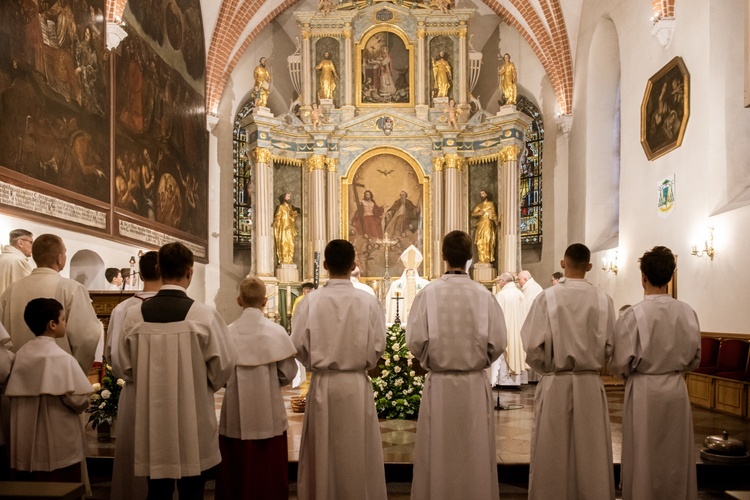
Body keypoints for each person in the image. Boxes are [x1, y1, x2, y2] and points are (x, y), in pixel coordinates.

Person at [118, 242, 237, 499]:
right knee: (193, 488)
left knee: (156, 489)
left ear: (159, 269)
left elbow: (122, 366)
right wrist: (200, 383)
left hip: (150, 416)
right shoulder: (204, 315)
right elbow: (224, 365)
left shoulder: (134, 316)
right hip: (192, 415)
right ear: (190, 272)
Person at [407, 230, 507, 500]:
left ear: (442, 256)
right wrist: (479, 361)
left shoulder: (428, 294)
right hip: (473, 385)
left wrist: (431, 358)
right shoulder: (483, 296)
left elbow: (415, 341)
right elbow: (498, 342)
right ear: (470, 258)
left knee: (438, 451)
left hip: (439, 385)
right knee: (473, 450)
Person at [290, 239, 387, 500]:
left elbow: (297, 345)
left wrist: (316, 361)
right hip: (356, 385)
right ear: (354, 264)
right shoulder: (368, 302)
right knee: (357, 450)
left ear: (324, 266)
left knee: (324, 451)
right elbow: (379, 345)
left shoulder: (310, 302)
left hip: (323, 384)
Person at [520, 243, 616, 500]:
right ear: (590, 266)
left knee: (552, 450)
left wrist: (548, 370)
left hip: (556, 383)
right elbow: (610, 346)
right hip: (589, 384)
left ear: (563, 264)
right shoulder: (603, 300)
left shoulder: (547, 297)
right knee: (592, 451)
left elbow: (531, 346)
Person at [610, 246, 700, 500]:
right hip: (675, 388)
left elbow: (619, 362)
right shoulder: (687, 312)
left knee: (643, 452)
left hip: (644, 390)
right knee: (676, 451)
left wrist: (631, 374)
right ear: (670, 277)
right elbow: (695, 358)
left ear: (643, 277)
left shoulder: (633, 315)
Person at [215, 277, 298, 499]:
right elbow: (288, 373)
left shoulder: (227, 332)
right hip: (267, 411)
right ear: (265, 300)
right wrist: (271, 382)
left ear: (238, 300)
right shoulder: (276, 331)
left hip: (235, 411)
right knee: (267, 468)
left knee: (236, 466)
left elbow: (219, 373)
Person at [5, 298, 92, 483]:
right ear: (52, 324)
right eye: (63, 318)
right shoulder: (62, 358)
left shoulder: (21, 354)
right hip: (58, 435)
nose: (65, 322)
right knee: (61, 483)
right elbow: (77, 401)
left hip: (24, 439)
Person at [0, 234, 101, 374]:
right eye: (64, 253)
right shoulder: (72, 289)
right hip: (58, 378)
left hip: (17, 378)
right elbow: (87, 337)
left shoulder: (11, 290)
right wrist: (76, 373)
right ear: (59, 258)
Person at [107, 251, 161, 500]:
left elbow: (112, 355)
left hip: (133, 389)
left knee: (132, 451)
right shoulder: (180, 307)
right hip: (167, 391)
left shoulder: (122, 309)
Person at [491, 272, 528, 387]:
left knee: (505, 355)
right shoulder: (520, 294)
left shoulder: (502, 295)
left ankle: (504, 381)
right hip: (519, 332)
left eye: (499, 281)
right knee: (515, 352)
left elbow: (496, 315)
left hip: (506, 332)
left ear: (503, 281)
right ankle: (515, 381)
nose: (498, 284)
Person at [0, 229, 33, 296]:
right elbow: (27, 291)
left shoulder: (2, 257)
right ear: (20, 243)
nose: (32, 246)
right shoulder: (19, 261)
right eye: (31, 242)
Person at [470, 190, 498, 263]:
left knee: (487, 239)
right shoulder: (479, 205)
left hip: (488, 223)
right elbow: (473, 213)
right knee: (480, 242)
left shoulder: (491, 204)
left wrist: (496, 221)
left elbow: (494, 214)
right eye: (481, 194)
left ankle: (487, 258)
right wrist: (480, 213)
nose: (482, 195)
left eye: (483, 193)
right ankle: (481, 259)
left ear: (486, 194)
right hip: (481, 224)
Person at [272, 192, 299, 265]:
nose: (289, 198)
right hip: (283, 227)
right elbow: (278, 216)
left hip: (290, 228)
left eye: (289, 197)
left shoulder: (290, 208)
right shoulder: (281, 207)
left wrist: (294, 215)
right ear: (284, 198)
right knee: (284, 243)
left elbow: (292, 219)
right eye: (287, 196)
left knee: (291, 243)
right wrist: (276, 221)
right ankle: (284, 259)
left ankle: (290, 259)